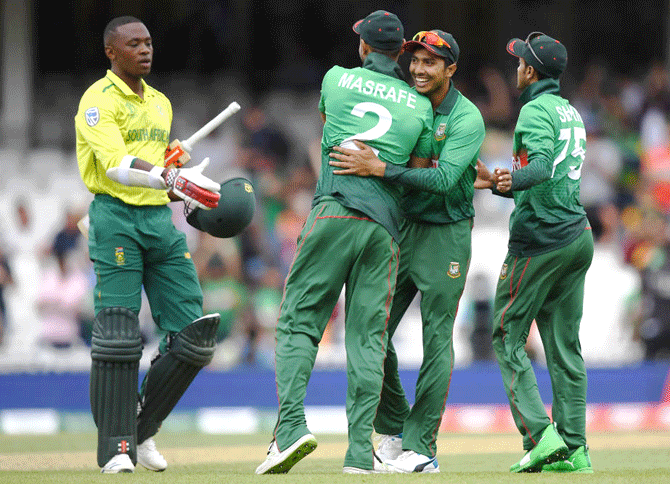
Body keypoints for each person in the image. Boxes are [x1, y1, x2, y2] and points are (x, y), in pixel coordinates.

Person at [255, 10, 434, 475]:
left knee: (299, 322)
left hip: (334, 210)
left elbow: (329, 124)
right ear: (400, 53)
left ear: (363, 47)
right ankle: (360, 456)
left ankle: (291, 428)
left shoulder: (336, 79)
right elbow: (414, 169)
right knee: (368, 340)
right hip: (384, 230)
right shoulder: (419, 105)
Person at [329, 30, 485, 473]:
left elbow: (443, 180)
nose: (418, 69)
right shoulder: (402, 100)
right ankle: (396, 427)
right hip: (399, 228)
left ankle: (423, 447)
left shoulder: (466, 118)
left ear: (450, 69)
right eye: (413, 60)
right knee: (366, 326)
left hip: (446, 234)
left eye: (429, 63)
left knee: (436, 338)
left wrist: (382, 168)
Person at [75, 16, 222, 473]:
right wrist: (167, 174)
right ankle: (116, 448)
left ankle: (141, 429)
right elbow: (118, 165)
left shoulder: (160, 102)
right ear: (111, 52)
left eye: (149, 42)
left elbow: (157, 171)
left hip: (159, 219)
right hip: (115, 216)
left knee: (194, 336)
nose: (145, 50)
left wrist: (184, 182)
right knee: (119, 335)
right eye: (133, 44)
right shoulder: (96, 101)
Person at [477, 32, 594, 473]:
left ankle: (540, 436)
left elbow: (539, 167)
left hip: (541, 240)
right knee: (565, 348)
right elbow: (549, 179)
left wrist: (508, 179)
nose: (516, 68)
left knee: (506, 334)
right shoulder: (571, 112)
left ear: (530, 71)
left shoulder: (534, 110)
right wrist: (506, 184)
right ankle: (576, 447)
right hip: (576, 234)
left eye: (520, 62)